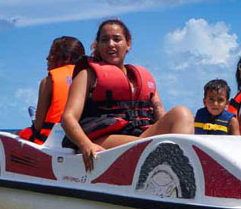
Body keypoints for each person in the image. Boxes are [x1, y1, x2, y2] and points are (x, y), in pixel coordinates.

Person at [62, 19, 194, 170]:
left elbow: (161, 115)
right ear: (98, 45)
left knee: (181, 114)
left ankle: (182, 171)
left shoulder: (142, 78)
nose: (111, 44)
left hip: (141, 137)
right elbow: (68, 117)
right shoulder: (88, 75)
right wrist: (86, 144)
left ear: (128, 44)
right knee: (147, 144)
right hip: (103, 140)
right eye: (105, 40)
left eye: (117, 39)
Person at [19, 36, 84, 144]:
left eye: (52, 54)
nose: (47, 58)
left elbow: (38, 125)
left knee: (18, 135)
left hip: (53, 142)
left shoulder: (48, 81)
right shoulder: (89, 77)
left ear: (66, 58)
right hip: (83, 137)